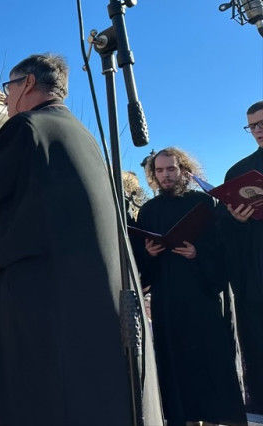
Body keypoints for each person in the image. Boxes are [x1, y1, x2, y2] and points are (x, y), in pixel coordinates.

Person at [0, 53, 163, 425]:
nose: (5, 99)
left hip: (44, 299)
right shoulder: (80, 134)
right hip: (87, 298)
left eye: (7, 88)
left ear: (26, 84)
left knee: (45, 398)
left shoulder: (26, 126)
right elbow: (39, 201)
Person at [133, 148, 245, 426]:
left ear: (183, 170)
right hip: (168, 303)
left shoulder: (204, 204)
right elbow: (140, 264)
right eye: (159, 170)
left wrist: (198, 253)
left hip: (203, 299)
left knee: (211, 364)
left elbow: (224, 248)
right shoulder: (149, 210)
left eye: (171, 169)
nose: (165, 175)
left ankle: (215, 419)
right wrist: (149, 253)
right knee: (176, 367)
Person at [221, 100, 263, 416]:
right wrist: (235, 220)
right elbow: (225, 232)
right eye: (252, 126)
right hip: (255, 278)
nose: (258, 131)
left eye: (262, 123)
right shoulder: (239, 172)